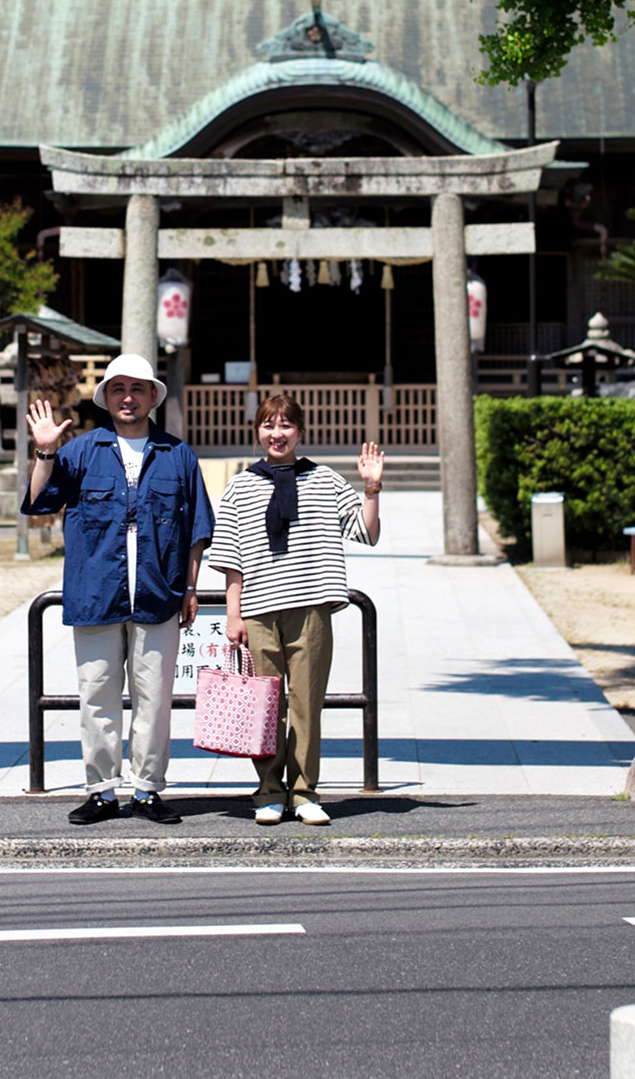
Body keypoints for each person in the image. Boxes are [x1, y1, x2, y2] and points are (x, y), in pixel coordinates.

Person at [23, 352, 214, 827]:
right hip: (96, 594)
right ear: (106, 397)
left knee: (155, 697)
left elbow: (196, 529)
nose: (127, 397)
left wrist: (190, 587)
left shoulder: (178, 454)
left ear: (153, 396)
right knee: (97, 697)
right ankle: (102, 791)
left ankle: (148, 790)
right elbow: (38, 500)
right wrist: (46, 451)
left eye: (137, 389)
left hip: (159, 593)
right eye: (118, 389)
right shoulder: (82, 451)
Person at [207, 393, 381, 825]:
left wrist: (372, 488)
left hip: (312, 609)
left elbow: (366, 532)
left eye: (286, 425)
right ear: (257, 432)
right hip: (259, 611)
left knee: (307, 704)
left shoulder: (325, 480)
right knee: (265, 707)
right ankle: (268, 789)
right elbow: (229, 557)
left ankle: (304, 791)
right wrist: (233, 616)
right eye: (268, 425)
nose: (276, 433)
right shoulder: (240, 485)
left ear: (301, 432)